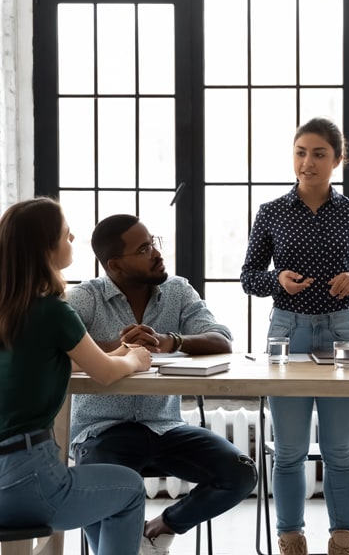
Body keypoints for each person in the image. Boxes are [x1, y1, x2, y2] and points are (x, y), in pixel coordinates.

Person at [0, 197, 151, 555]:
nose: (73, 238)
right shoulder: (52, 312)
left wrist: (114, 353)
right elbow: (107, 374)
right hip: (26, 485)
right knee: (129, 489)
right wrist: (135, 359)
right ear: (45, 249)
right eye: (66, 235)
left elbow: (39, 359)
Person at [67, 214, 258, 555]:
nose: (156, 253)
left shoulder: (177, 291)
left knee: (240, 474)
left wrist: (174, 341)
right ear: (116, 266)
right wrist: (119, 346)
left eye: (153, 242)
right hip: (101, 431)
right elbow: (55, 350)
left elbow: (222, 339)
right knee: (105, 492)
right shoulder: (86, 298)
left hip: (163, 427)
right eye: (144, 249)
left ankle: (159, 529)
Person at [241, 116, 349, 555]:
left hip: (342, 330)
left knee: (340, 449)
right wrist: (276, 280)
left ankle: (343, 534)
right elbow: (248, 277)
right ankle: (290, 535)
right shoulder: (271, 212)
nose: (308, 162)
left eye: (319, 153)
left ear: (338, 160)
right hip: (287, 331)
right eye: (301, 152)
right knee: (289, 450)